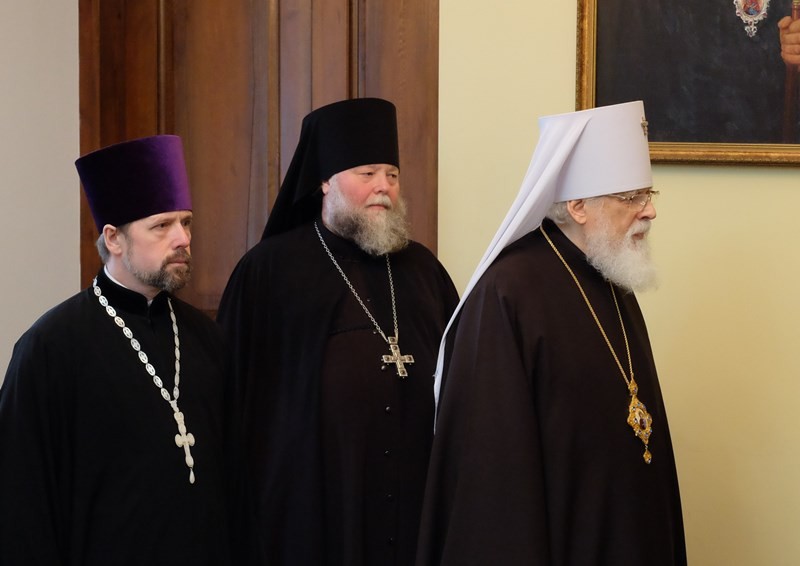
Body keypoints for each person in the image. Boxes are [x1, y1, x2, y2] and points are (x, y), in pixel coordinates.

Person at [416, 101, 686, 565]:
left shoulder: (611, 273)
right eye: (631, 198)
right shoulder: (508, 292)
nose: (649, 212)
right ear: (578, 207)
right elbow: (492, 465)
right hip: (560, 539)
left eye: (648, 194)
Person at [217, 97, 459, 566]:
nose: (383, 187)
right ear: (325, 181)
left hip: (414, 503)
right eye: (367, 173)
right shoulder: (269, 272)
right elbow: (236, 405)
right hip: (314, 508)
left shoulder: (424, 270)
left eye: (392, 175)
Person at [0, 135, 230, 565]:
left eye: (186, 222)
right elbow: (21, 501)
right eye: (162, 226)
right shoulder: (50, 348)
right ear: (114, 238)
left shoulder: (207, 338)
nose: (182, 238)